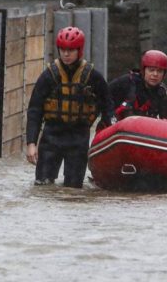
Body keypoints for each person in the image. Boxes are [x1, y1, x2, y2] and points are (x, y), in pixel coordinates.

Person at [26, 26, 114, 188]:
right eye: (63, 50)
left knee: (73, 190)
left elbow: (107, 106)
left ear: (79, 50)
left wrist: (107, 135)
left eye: (71, 50)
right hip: (51, 136)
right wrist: (31, 143)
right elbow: (35, 110)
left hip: (78, 138)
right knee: (42, 187)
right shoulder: (49, 76)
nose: (66, 54)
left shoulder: (93, 76)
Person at [109, 49, 167, 122]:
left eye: (159, 71)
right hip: (116, 127)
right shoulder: (126, 82)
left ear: (164, 74)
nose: (155, 74)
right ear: (143, 70)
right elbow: (103, 98)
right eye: (151, 70)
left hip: (140, 130)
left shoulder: (160, 93)